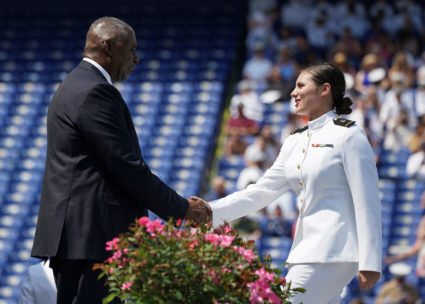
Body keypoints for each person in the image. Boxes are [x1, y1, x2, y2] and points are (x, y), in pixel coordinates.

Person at [30, 17, 211, 304]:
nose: (136, 59)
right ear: (109, 47)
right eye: (132, 50)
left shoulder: (73, 85)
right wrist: (181, 209)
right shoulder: (95, 91)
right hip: (93, 238)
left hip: (80, 237)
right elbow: (125, 166)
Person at [204, 63, 382, 303]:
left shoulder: (348, 135)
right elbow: (261, 192)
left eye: (301, 85)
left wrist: (371, 260)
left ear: (324, 89)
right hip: (306, 249)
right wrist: (210, 211)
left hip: (335, 251)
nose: (293, 92)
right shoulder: (294, 141)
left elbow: (367, 200)